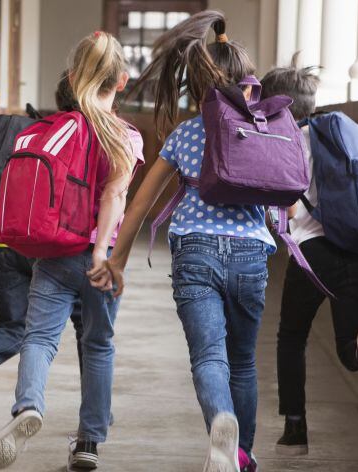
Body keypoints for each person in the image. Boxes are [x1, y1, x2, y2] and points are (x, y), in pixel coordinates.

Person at [89, 11, 268, 472]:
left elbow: (141, 204)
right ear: (246, 79)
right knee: (243, 361)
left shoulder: (186, 135)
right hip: (251, 253)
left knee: (209, 355)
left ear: (198, 85)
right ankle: (242, 454)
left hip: (196, 253)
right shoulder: (262, 131)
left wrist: (118, 260)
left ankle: (220, 421)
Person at [0, 31, 143, 471]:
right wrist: (100, 255)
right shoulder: (125, 137)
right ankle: (89, 442)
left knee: (39, 338)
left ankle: (29, 406)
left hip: (53, 254)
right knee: (98, 346)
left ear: (73, 79)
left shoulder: (56, 129)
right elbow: (114, 198)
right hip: (100, 259)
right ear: (124, 81)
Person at [259, 65, 358, 456]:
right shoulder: (339, 140)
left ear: (279, 108)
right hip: (356, 251)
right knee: (346, 345)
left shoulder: (285, 145)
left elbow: (282, 208)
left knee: (292, 336)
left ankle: (295, 429)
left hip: (312, 255)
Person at [0, 74, 88, 429]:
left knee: (18, 325)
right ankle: (95, 409)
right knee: (89, 327)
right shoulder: (80, 136)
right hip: (49, 247)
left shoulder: (25, 133)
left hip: (3, 244)